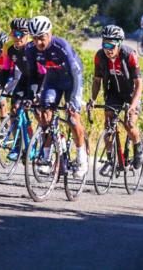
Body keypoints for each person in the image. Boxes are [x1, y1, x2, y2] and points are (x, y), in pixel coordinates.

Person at [25, 15, 87, 179]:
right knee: (45, 116)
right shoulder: (30, 49)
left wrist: (73, 100)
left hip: (72, 79)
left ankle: (82, 158)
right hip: (53, 80)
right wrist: (32, 96)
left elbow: (75, 74)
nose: (39, 43)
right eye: (35, 38)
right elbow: (34, 76)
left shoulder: (61, 46)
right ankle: (46, 157)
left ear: (50, 33)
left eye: (42, 38)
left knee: (73, 119)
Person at [88, 25, 143, 175]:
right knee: (108, 123)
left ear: (119, 44)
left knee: (129, 123)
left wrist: (132, 105)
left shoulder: (129, 55)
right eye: (105, 44)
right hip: (113, 92)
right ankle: (110, 160)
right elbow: (97, 80)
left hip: (131, 92)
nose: (108, 49)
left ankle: (138, 149)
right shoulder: (99, 56)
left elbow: (139, 83)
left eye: (111, 45)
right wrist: (92, 99)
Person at [3, 18, 45, 161]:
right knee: (15, 110)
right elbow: (3, 72)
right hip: (25, 79)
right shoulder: (10, 50)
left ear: (27, 35)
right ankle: (18, 144)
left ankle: (44, 147)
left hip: (41, 80)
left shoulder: (33, 50)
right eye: (14, 33)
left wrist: (39, 93)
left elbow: (44, 73)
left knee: (40, 113)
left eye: (20, 34)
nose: (16, 37)